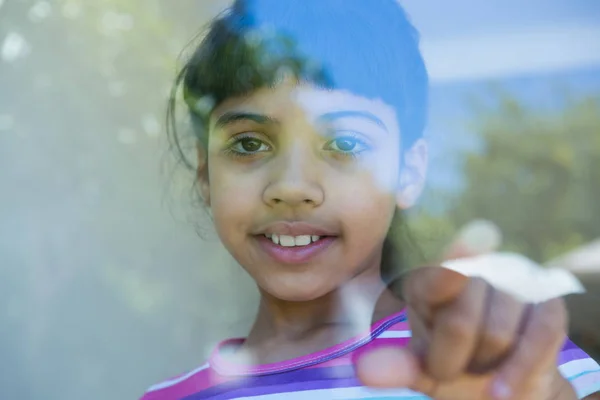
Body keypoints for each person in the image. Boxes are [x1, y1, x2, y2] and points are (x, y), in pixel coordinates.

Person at [140, 1, 600, 399]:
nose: (292, 186)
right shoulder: (169, 397)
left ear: (409, 172)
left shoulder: (495, 358)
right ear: (206, 174)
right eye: (248, 144)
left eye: (345, 144)